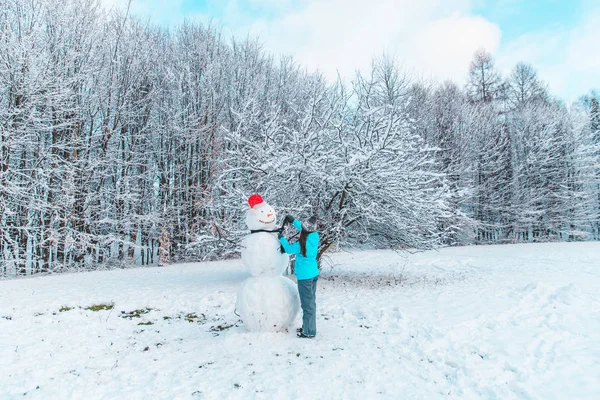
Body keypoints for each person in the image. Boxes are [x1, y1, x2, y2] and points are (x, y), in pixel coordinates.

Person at [278, 215, 319, 338]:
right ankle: (308, 327)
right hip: (313, 274)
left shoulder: (302, 244)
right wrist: (293, 221)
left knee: (307, 305)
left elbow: (289, 249)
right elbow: (304, 228)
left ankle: (309, 331)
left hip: (305, 277)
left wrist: (281, 238)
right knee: (311, 303)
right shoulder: (314, 236)